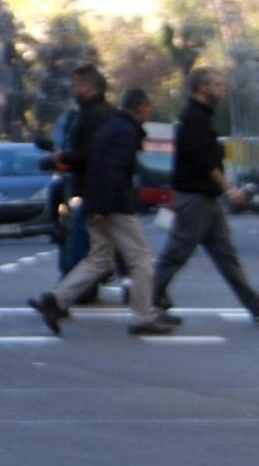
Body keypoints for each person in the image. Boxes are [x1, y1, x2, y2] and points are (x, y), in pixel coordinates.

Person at [31, 87, 171, 335]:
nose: (149, 113)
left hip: (96, 201)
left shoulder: (112, 127)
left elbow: (99, 166)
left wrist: (95, 205)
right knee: (140, 259)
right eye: (148, 108)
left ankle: (56, 300)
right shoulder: (125, 132)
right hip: (114, 205)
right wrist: (104, 206)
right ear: (141, 107)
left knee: (99, 259)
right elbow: (112, 170)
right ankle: (143, 316)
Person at [150, 68, 259, 324]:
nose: (222, 89)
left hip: (206, 199)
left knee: (225, 254)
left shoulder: (200, 118)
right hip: (196, 198)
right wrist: (230, 189)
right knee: (176, 253)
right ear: (200, 87)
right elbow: (206, 163)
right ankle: (148, 300)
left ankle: (255, 304)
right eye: (217, 85)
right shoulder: (193, 119)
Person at [52, 66, 110, 284]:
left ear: (86, 87)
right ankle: (63, 296)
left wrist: (64, 157)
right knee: (115, 247)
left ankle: (63, 292)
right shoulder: (88, 114)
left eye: (75, 84)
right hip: (95, 188)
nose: (72, 89)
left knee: (81, 243)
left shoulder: (90, 116)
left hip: (89, 189)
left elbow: (87, 154)